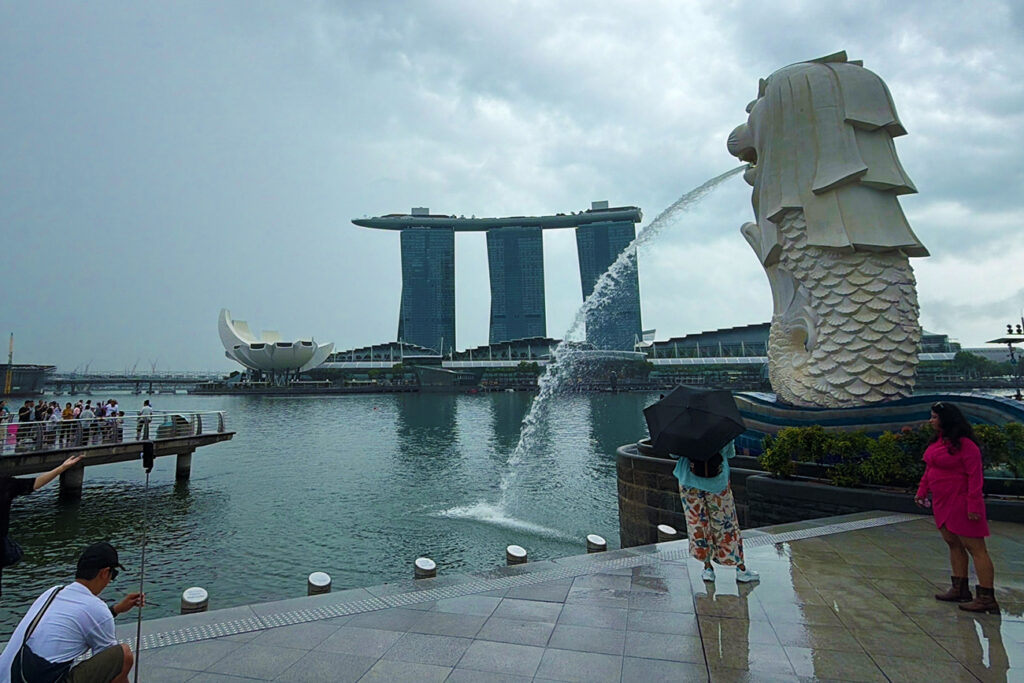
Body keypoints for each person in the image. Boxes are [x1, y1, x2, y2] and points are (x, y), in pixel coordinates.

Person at [0, 542, 142, 682]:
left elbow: (82, 619)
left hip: (11, 674)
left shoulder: (54, 592)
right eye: (113, 574)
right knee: (122, 656)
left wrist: (116, 609)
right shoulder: (96, 608)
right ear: (105, 573)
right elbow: (111, 668)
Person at [915, 401, 999, 613]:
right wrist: (922, 490)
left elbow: (975, 476)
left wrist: (973, 504)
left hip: (961, 501)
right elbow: (929, 469)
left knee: (976, 548)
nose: (931, 420)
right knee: (953, 543)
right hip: (942, 501)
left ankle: (986, 596)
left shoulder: (966, 445)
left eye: (934, 417)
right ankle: (959, 587)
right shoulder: (938, 442)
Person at [675, 440, 759, 583]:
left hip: (688, 481)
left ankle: (708, 569)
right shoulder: (720, 425)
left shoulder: (682, 426)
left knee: (698, 525)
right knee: (727, 525)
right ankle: (740, 569)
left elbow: (674, 453)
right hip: (717, 482)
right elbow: (730, 453)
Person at [0, 455, 83, 597]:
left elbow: (35, 483)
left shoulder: (5, 485)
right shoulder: (5, 485)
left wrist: (62, 468)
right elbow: (35, 484)